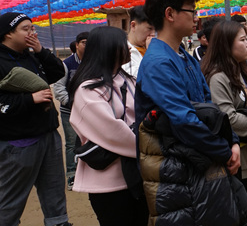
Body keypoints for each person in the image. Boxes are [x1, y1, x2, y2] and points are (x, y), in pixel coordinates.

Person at [135, 0, 243, 224]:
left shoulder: (183, 55)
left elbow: (210, 108)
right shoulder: (158, 63)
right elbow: (184, 121)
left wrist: (232, 141)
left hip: (195, 158)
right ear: (170, 14)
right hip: (173, 167)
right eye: (191, 11)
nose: (196, 17)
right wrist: (225, 151)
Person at [68, 27, 148, 226]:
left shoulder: (126, 79)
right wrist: (149, 144)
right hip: (108, 181)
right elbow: (113, 131)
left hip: (136, 174)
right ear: (108, 48)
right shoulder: (88, 89)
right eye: (123, 44)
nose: (129, 49)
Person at [0, 12, 70, 226]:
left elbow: (58, 72)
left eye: (33, 28)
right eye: (26, 28)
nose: (33, 32)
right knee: (10, 201)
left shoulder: (30, 56)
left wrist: (40, 50)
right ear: (8, 34)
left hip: (49, 136)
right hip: (18, 143)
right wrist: (30, 99)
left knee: (55, 194)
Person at [202, 20, 247, 224]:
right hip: (234, 157)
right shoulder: (218, 77)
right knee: (235, 209)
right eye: (243, 40)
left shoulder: (242, 70)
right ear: (226, 44)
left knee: (246, 206)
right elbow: (228, 118)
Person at [53, 31, 88, 191]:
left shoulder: (92, 63)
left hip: (88, 111)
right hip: (70, 111)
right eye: (84, 43)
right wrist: (71, 103)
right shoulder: (66, 64)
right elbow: (59, 88)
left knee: (88, 141)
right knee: (70, 143)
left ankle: (86, 174)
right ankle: (72, 175)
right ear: (77, 44)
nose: (87, 46)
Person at [122, 6, 154, 78]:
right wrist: (150, 53)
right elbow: (137, 78)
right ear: (133, 25)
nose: (153, 34)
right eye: (150, 28)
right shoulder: (123, 51)